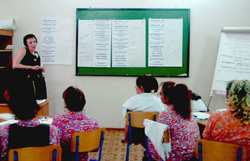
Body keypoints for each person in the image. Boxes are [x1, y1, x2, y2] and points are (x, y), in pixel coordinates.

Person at [0, 83, 60, 161]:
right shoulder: (53, 130)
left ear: (12, 109)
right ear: (35, 108)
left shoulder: (4, 131)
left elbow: (3, 156)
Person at [147, 82, 200, 161]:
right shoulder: (189, 113)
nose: (160, 97)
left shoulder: (165, 115)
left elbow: (158, 137)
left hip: (176, 156)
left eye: (161, 94)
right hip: (192, 155)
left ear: (167, 98)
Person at [52, 86, 100, 161]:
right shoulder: (93, 123)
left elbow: (54, 144)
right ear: (84, 102)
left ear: (66, 103)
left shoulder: (57, 120)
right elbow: (95, 149)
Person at [121, 76, 165, 147]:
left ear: (141, 87)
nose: (135, 87)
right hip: (153, 135)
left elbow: (127, 122)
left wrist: (125, 137)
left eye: (136, 85)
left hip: (134, 135)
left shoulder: (131, 101)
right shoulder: (158, 101)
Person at [203, 79, 250, 145]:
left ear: (230, 96)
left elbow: (206, 138)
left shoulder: (216, 117)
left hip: (216, 154)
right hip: (245, 155)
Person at [12, 34, 47, 99]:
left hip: (37, 80)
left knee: (41, 99)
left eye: (34, 42)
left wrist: (40, 68)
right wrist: (31, 67)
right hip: (26, 81)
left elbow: (36, 66)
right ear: (26, 44)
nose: (33, 44)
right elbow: (15, 65)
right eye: (30, 43)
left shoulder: (36, 54)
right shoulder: (24, 50)